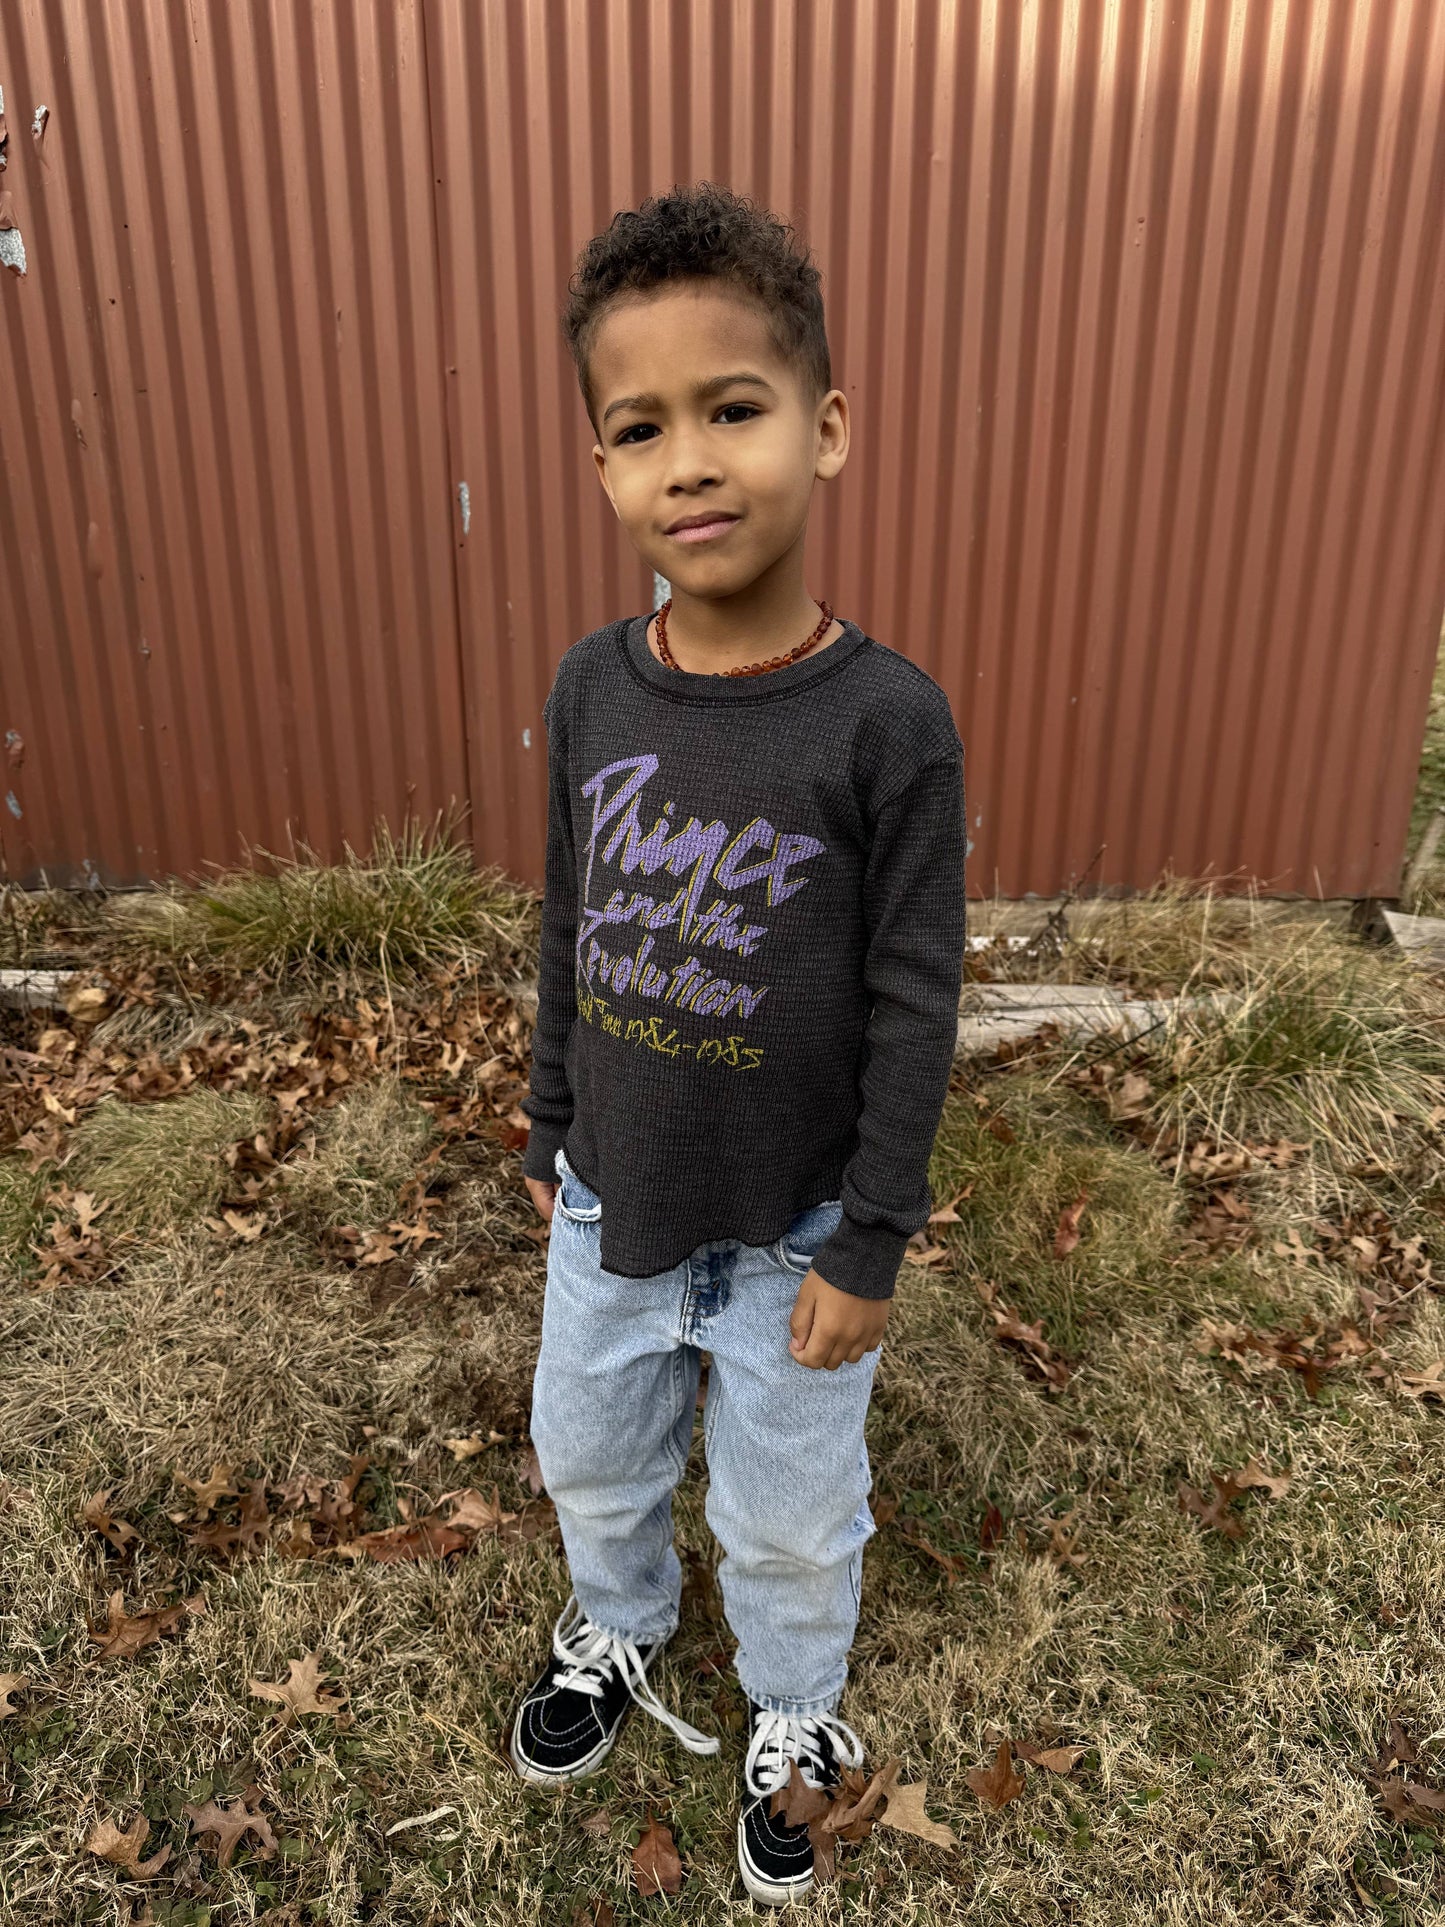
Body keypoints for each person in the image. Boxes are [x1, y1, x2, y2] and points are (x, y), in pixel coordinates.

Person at [511, 180, 966, 1907]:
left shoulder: (884, 721)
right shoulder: (589, 690)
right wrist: (555, 1119)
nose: (688, 461)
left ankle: (790, 1707)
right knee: (591, 1450)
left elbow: (916, 996)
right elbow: (570, 917)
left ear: (826, 428)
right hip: (611, 1205)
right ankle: (616, 1627)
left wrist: (873, 1236)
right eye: (640, 428)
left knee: (785, 1506)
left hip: (793, 1233)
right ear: (605, 468)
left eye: (734, 409)